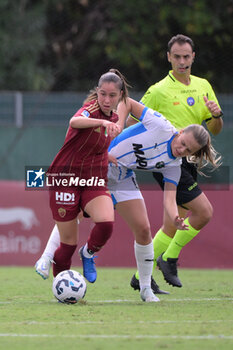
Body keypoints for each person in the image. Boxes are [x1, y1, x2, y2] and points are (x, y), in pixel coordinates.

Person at [35, 96, 221, 302]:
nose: (182, 150)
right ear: (181, 132)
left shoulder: (174, 165)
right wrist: (119, 124)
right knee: (76, 212)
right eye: (183, 143)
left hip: (123, 177)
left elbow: (169, 198)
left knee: (143, 230)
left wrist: (175, 217)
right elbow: (128, 102)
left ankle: (144, 288)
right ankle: (46, 258)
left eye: (189, 151)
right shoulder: (161, 125)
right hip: (99, 165)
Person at [127, 34, 223, 291]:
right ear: (169, 57)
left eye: (186, 57)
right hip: (168, 162)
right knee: (204, 212)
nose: (182, 61)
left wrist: (216, 115)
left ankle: (140, 277)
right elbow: (131, 121)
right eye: (177, 57)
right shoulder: (158, 91)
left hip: (191, 162)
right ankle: (169, 258)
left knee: (172, 225)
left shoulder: (203, 86)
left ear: (193, 57)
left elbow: (215, 130)